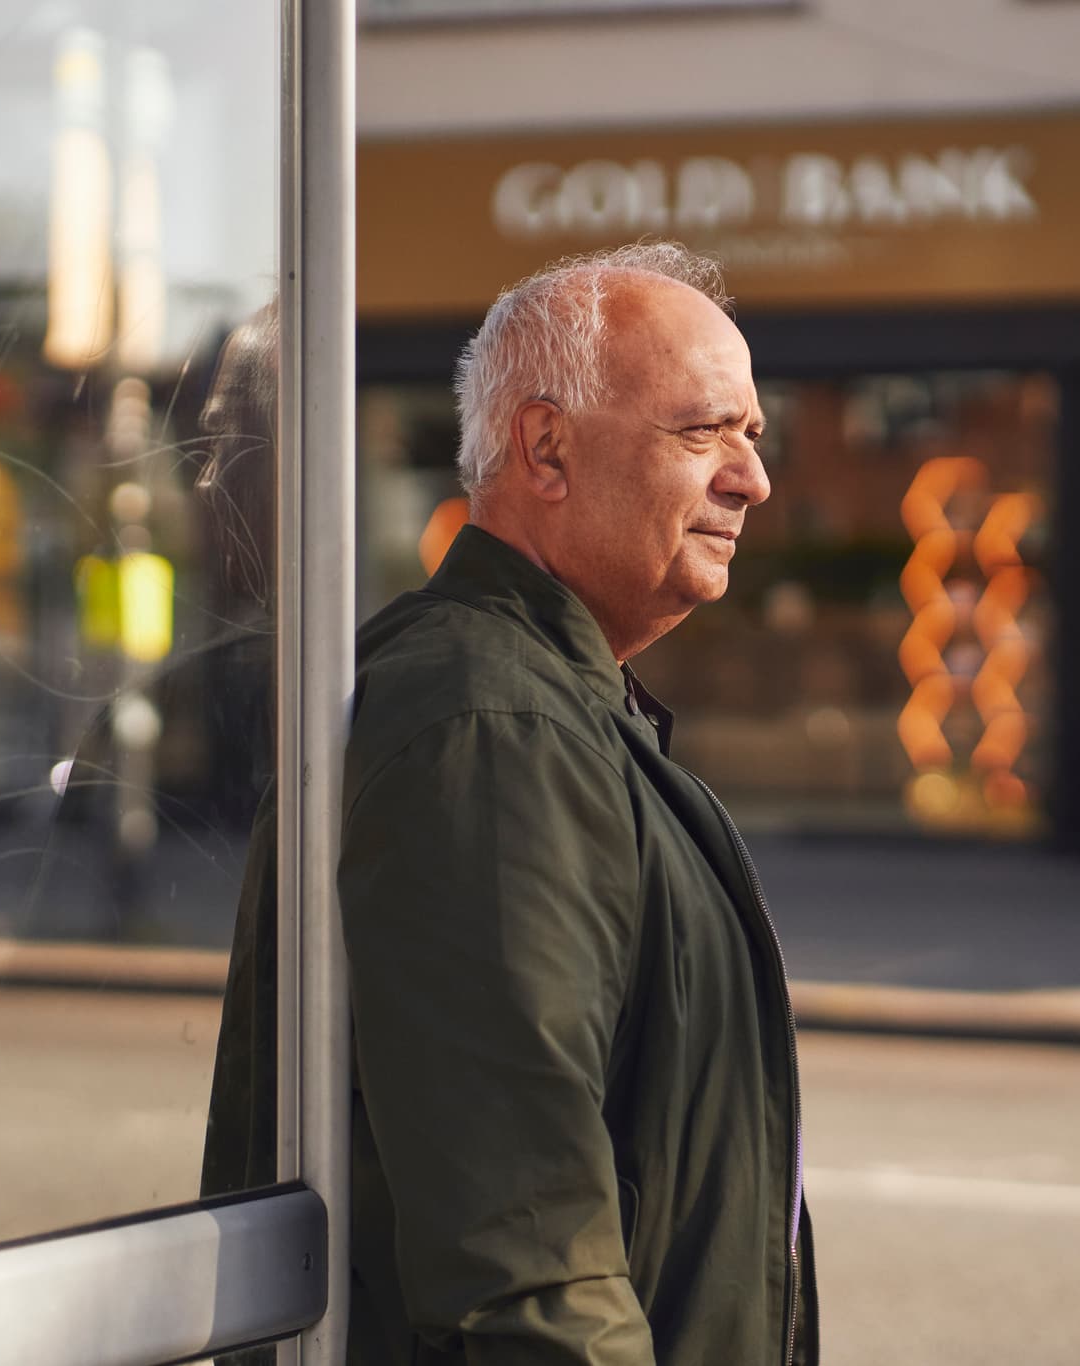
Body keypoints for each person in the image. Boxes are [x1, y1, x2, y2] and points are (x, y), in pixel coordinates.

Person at [206, 241, 816, 1366]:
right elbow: (529, 1267)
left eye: (752, 436)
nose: (750, 478)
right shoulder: (493, 728)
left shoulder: (534, 703)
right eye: (703, 431)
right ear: (545, 447)